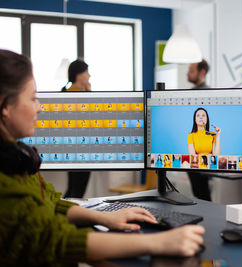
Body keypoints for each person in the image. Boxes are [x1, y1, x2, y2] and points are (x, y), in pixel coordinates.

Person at [0, 49, 204, 266]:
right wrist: (158, 242)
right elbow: (57, 240)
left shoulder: (17, 161)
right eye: (32, 98)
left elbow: (49, 203)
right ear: (4, 105)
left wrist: (104, 217)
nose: (40, 107)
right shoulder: (6, 186)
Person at [62, 59, 91, 198]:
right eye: (87, 72)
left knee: (73, 188)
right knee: (77, 191)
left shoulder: (65, 93)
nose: (89, 76)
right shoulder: (80, 95)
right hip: (82, 149)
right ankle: (69, 217)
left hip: (70, 148)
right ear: (79, 75)